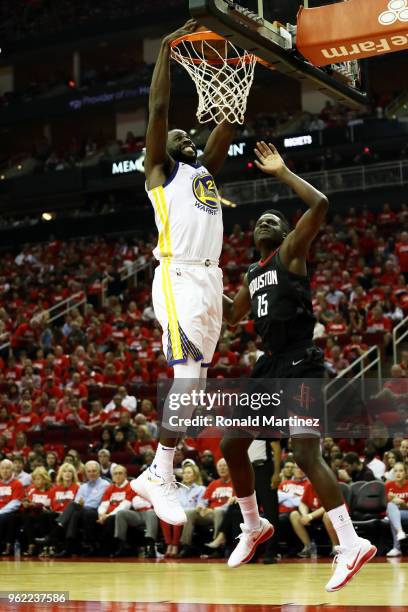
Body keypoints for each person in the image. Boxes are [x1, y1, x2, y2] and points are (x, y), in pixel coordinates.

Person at [221, 142, 376, 591]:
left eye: (275, 218)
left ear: (288, 231)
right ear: (253, 237)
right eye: (259, 220)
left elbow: (322, 204)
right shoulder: (252, 272)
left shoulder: (291, 252)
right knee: (232, 444)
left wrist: (283, 171)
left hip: (301, 363)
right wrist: (201, 279)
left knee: (305, 453)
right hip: (269, 367)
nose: (266, 220)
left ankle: (350, 543)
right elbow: (233, 316)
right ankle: (254, 524)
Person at [132, 19, 237, 526]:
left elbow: (228, 124)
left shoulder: (204, 172)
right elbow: (157, 109)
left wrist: (246, 62)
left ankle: (160, 471)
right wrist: (167, 50)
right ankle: (159, 472)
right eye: (179, 134)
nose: (185, 134)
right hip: (177, 276)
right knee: (187, 384)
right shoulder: (160, 171)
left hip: (210, 279)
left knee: (194, 388)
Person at [54, 461, 109, 557]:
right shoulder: (83, 486)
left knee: (73, 506)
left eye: (94, 471)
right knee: (74, 514)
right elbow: (78, 501)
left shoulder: (104, 484)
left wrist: (81, 504)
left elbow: (95, 502)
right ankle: (69, 547)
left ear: (99, 472)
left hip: (97, 512)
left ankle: (57, 529)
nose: (91, 473)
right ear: (86, 473)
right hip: (82, 511)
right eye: (89, 471)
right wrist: (80, 505)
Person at [161, 462, 205, 558]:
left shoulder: (201, 489)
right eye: (184, 473)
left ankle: (176, 545)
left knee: (179, 514)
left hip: (194, 514)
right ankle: (169, 544)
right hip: (180, 513)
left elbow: (201, 505)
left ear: (195, 475)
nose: (186, 475)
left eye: (189, 472)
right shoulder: (179, 490)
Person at [0, 459, 24, 556]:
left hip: (11, 513)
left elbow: (15, 503)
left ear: (12, 470)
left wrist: (0, 512)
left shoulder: (17, 484)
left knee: (3, 518)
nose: (5, 471)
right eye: (2, 468)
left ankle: (4, 546)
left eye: (7, 468)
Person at [385, 462, 408, 557]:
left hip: (406, 513)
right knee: (390, 506)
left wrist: (402, 503)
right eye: (395, 471)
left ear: (406, 473)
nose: (398, 473)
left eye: (401, 471)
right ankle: (400, 531)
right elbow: (385, 506)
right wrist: (391, 500)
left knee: (393, 516)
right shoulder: (388, 485)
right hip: (394, 514)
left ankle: (396, 548)